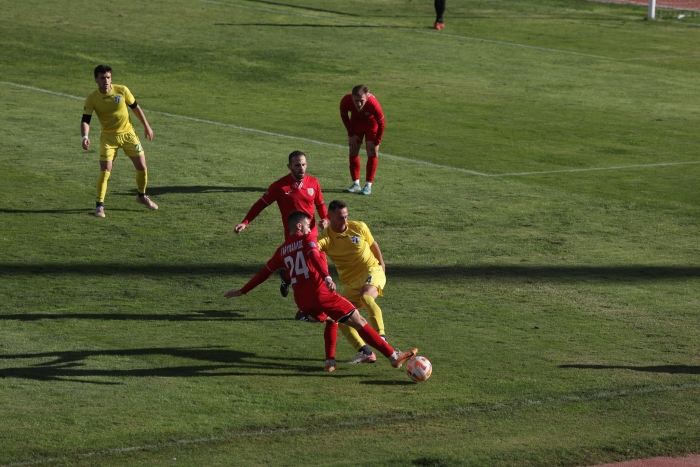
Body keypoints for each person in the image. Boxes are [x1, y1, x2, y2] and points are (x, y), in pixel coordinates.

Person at [225, 210, 417, 372]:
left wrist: (243, 291)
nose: (311, 228)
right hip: (321, 294)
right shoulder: (307, 238)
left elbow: (264, 273)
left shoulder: (282, 250)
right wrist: (326, 276)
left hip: (302, 299)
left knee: (334, 319)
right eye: (308, 225)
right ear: (299, 227)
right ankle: (394, 356)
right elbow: (314, 256)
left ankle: (329, 362)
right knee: (359, 321)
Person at [234, 150, 329, 297]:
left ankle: (312, 299)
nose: (301, 168)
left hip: (312, 235)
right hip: (293, 237)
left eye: (303, 164)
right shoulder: (280, 186)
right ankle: (288, 280)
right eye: (297, 165)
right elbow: (260, 204)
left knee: (315, 269)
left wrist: (325, 219)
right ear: (289, 166)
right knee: (302, 270)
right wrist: (245, 222)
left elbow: (320, 204)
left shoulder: (314, 182)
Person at [317, 200, 388, 365]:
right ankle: (365, 352)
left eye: (346, 216)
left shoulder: (359, 227)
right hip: (351, 283)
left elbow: (373, 244)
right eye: (340, 218)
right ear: (329, 217)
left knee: (366, 297)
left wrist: (381, 262)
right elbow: (311, 250)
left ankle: (381, 337)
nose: (344, 221)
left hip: (371, 270)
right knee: (339, 316)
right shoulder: (326, 238)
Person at [81, 64, 158, 218]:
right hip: (109, 138)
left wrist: (146, 126)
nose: (106, 81)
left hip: (129, 135)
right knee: (105, 170)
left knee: (142, 167)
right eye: (102, 78)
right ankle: (99, 207)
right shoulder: (92, 98)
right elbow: (85, 120)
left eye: (108, 77)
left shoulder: (122, 90)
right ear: (96, 79)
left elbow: (136, 107)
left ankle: (141, 196)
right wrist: (85, 137)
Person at [339, 85, 385, 196]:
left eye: (362, 101)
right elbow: (344, 115)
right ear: (352, 98)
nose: (359, 104)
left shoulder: (373, 104)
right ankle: (356, 184)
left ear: (367, 98)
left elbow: (382, 124)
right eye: (356, 101)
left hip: (371, 124)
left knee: (372, 152)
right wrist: (351, 134)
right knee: (353, 150)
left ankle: (368, 185)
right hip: (356, 123)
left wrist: (377, 141)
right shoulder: (346, 101)